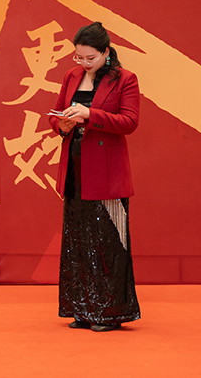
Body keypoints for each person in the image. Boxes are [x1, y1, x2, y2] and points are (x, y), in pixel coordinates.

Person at [48, 22, 140, 332]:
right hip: (75, 168)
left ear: (106, 52)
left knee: (108, 244)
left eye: (90, 58)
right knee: (78, 241)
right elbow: (56, 114)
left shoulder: (125, 79)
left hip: (107, 173)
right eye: (79, 57)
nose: (84, 63)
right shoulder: (71, 76)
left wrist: (90, 115)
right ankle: (82, 310)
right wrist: (61, 124)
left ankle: (110, 313)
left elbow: (129, 122)